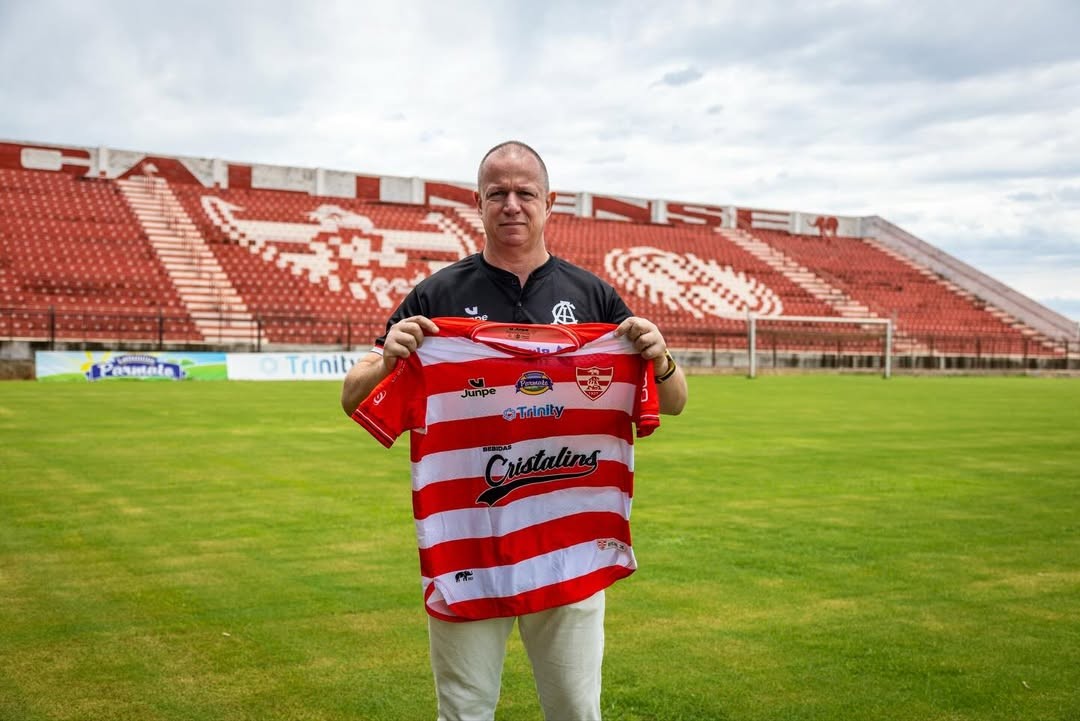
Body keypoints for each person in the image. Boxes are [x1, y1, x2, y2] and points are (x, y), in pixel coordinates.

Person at [341, 140, 687, 720]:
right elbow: (355, 398)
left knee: (576, 711)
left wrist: (662, 357)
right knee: (465, 712)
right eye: (497, 193)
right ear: (477, 204)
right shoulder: (436, 298)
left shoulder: (595, 299)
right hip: (470, 545)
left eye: (525, 193)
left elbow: (671, 404)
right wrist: (385, 360)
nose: (512, 204)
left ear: (549, 202)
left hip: (568, 547)